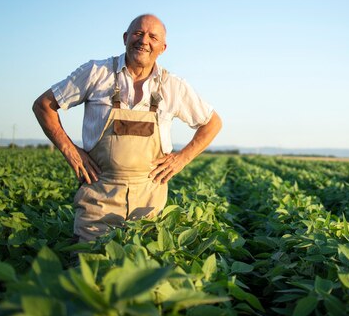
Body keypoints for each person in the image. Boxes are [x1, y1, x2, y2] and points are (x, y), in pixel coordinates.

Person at [32, 14, 222, 242]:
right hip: (98, 206)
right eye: (138, 33)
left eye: (153, 37)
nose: (144, 41)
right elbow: (44, 105)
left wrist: (183, 158)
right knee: (89, 271)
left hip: (148, 211)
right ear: (125, 38)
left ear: (163, 48)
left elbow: (212, 123)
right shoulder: (96, 73)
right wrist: (71, 151)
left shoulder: (173, 86)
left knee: (141, 274)